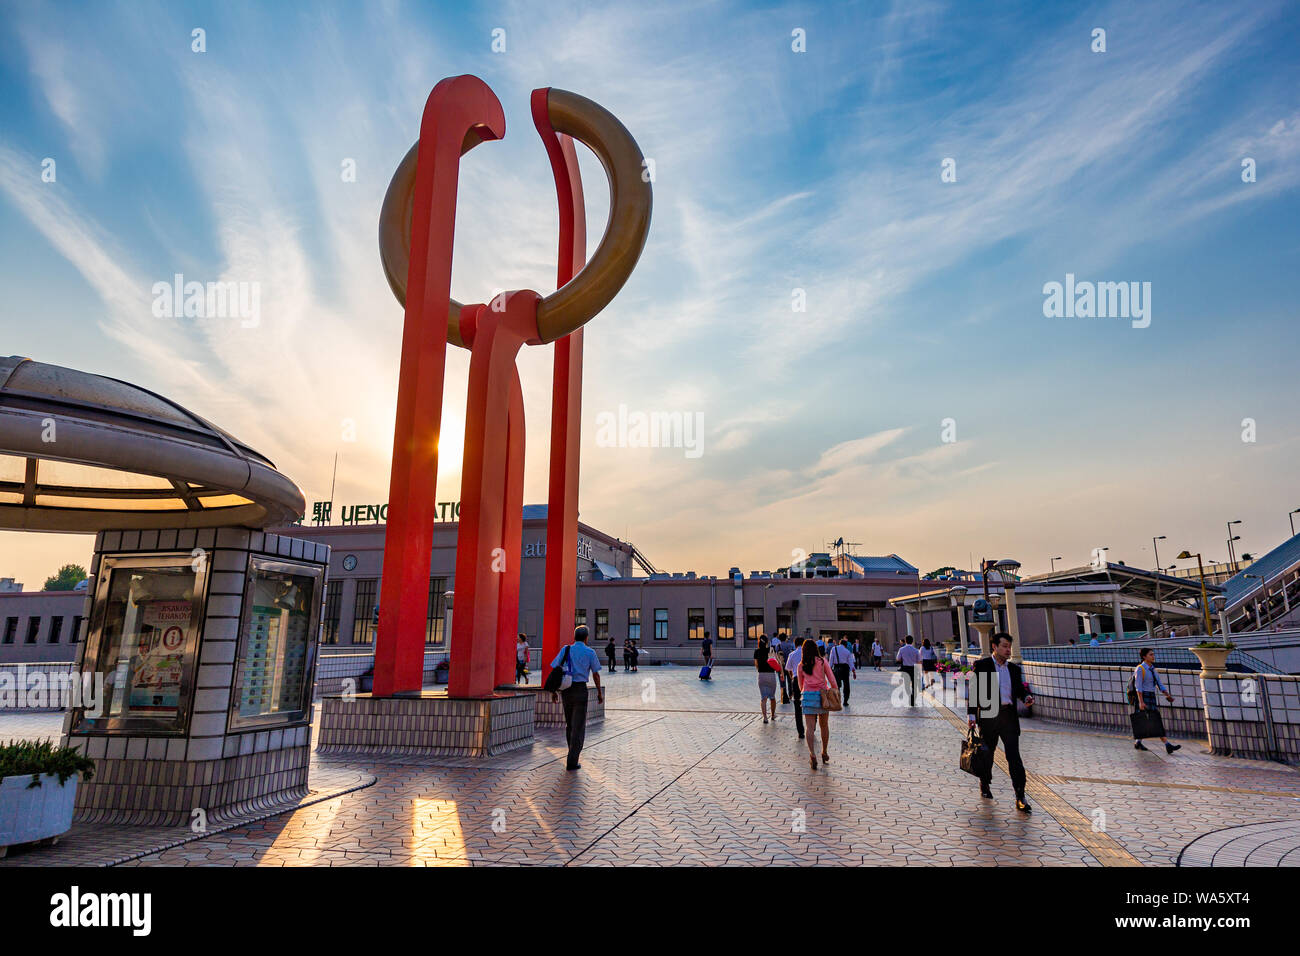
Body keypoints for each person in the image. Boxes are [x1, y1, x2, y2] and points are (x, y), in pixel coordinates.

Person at [967, 632, 1033, 813]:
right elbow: (974, 691)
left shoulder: (1013, 669)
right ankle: (985, 782)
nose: (1008, 650)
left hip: (1009, 718)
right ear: (994, 647)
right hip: (988, 717)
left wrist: (1027, 697)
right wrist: (971, 716)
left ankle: (1020, 795)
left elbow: (1019, 690)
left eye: (1009, 646)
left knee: (1014, 758)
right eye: (1004, 646)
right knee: (987, 754)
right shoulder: (983, 666)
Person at [550, 625, 604, 771]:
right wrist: (599, 692)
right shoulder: (590, 652)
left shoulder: (566, 649)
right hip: (580, 690)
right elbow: (596, 674)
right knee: (578, 727)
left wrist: (554, 691)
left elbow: (556, 668)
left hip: (566, 690)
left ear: (574, 637)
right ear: (586, 638)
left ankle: (571, 753)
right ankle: (572, 761)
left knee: (570, 724)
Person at [797, 638, 838, 770]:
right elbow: (832, 679)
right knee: (824, 725)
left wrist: (806, 690)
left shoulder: (801, 665)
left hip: (808, 697)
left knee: (809, 728)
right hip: (822, 696)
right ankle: (824, 752)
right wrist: (835, 691)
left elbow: (800, 685)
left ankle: (812, 755)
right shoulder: (822, 662)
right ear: (816, 649)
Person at [1133, 648, 1181, 754]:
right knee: (1154, 720)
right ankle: (1167, 744)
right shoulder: (1140, 669)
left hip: (1151, 696)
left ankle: (1138, 742)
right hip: (1143, 696)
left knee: (1147, 720)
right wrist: (1141, 701)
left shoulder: (1152, 669)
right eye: (1150, 655)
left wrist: (1167, 695)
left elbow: (1159, 684)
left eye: (1153, 654)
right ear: (1144, 657)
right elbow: (1138, 687)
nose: (1153, 656)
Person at [755, 636, 779, 723]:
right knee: (772, 697)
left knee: (763, 698)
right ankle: (772, 715)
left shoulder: (756, 651)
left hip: (761, 675)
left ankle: (765, 718)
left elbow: (756, 665)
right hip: (771, 675)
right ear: (767, 642)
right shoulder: (771, 649)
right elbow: (775, 660)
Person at [784, 637, 805, 739]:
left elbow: (788, 668)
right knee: (811, 702)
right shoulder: (808, 653)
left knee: (797, 705)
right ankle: (813, 725)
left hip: (796, 680)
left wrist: (793, 676)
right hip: (808, 680)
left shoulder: (792, 654)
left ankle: (800, 731)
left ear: (795, 644)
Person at [828, 637, 856, 706]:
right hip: (845, 669)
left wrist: (829, 670)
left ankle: (837, 700)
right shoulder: (847, 651)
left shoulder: (834, 649)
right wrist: (854, 672)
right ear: (845, 645)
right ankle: (845, 701)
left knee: (837, 686)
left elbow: (830, 661)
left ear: (839, 643)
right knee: (846, 685)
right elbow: (851, 663)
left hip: (837, 668)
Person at [896, 636, 921, 706]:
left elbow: (898, 659)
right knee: (914, 685)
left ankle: (910, 697)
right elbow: (919, 661)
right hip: (914, 668)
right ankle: (913, 701)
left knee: (907, 685)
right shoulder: (916, 650)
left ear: (905, 641)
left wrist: (903, 659)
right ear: (912, 641)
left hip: (905, 668)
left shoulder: (901, 649)